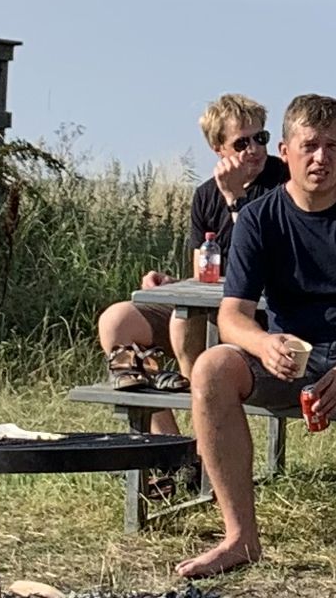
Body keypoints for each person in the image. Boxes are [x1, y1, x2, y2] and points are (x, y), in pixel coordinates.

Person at [177, 94, 336, 585]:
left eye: (332, 146)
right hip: (288, 355)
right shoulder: (258, 216)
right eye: (310, 146)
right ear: (284, 151)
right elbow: (233, 317)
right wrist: (261, 345)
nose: (321, 158)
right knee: (211, 367)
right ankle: (239, 537)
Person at [95, 93, 291, 436]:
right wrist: (174, 284)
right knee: (116, 322)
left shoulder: (284, 183)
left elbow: (268, 259)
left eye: (260, 138)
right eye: (241, 142)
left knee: (182, 322)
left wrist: (235, 200)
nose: (255, 149)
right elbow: (205, 271)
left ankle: (203, 431)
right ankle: (167, 445)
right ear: (219, 149)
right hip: (209, 306)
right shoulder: (204, 195)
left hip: (256, 314)